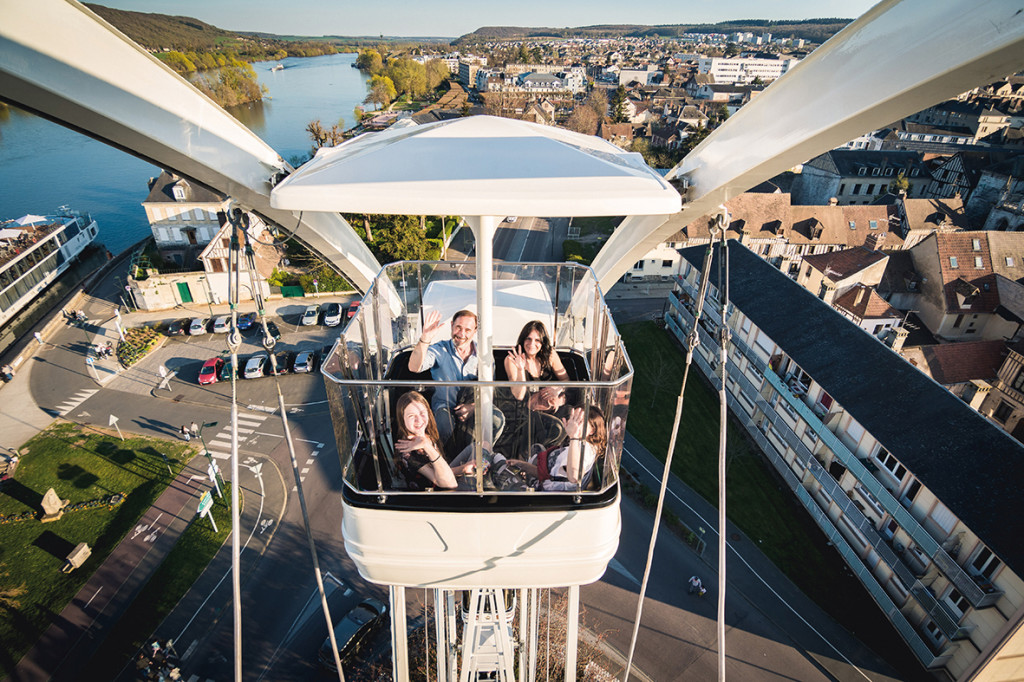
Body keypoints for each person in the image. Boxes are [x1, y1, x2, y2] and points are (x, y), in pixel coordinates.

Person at [408, 309, 480, 445]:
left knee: (497, 419)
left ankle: (483, 458)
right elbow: (414, 367)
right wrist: (425, 338)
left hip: (473, 406)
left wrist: (473, 407)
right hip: (444, 407)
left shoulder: (483, 355)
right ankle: (443, 462)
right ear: (452, 325)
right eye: (458, 327)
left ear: (475, 331)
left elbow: (490, 390)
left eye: (467, 330)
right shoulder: (440, 349)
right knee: (444, 423)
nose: (462, 334)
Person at [499, 405, 606, 492]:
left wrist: (573, 437)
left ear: (592, 431)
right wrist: (522, 465)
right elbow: (551, 475)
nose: (573, 422)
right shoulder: (585, 445)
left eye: (579, 421)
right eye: (573, 417)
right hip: (545, 480)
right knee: (536, 448)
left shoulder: (583, 451)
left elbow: (574, 477)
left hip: (545, 495)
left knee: (498, 463)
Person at [393, 391, 464, 490]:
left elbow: (441, 470)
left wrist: (463, 468)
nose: (419, 420)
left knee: (480, 446)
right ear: (402, 419)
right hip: (434, 497)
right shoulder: (408, 452)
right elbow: (449, 483)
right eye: (411, 416)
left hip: (445, 477)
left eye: (422, 413)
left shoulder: (426, 434)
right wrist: (427, 446)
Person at [504, 320, 568, 401]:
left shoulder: (550, 354)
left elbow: (566, 380)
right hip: (524, 409)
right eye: (528, 339)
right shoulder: (512, 359)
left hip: (550, 405)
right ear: (523, 340)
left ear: (543, 342)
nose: (532, 344)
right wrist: (520, 369)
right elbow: (519, 396)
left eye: (537, 340)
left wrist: (558, 389)